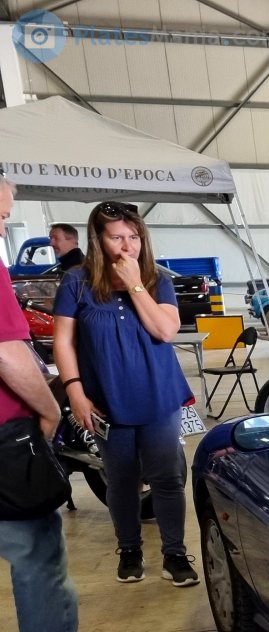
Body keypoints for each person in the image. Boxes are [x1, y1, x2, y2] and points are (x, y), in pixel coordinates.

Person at [0, 181, 141, 632]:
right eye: (2, 213)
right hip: (5, 437)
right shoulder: (78, 283)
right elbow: (9, 355)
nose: (3, 224)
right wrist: (52, 406)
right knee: (37, 558)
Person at [52, 201, 197, 588]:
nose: (127, 245)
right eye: (117, 237)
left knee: (167, 477)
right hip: (105, 399)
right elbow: (63, 342)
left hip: (158, 396)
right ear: (98, 239)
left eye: (134, 237)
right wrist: (75, 392)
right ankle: (128, 549)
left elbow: (165, 331)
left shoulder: (156, 280)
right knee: (120, 478)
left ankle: (175, 553)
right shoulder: (76, 282)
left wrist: (134, 283)